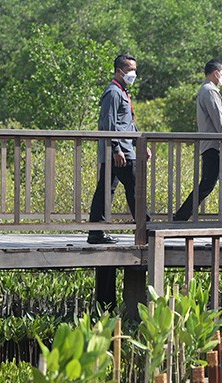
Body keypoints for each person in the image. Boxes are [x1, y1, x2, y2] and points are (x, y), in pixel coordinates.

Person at [87, 54, 151, 244]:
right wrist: (115, 148)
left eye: (135, 70)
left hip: (123, 149)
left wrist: (141, 143)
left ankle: (96, 232)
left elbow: (127, 122)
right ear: (118, 71)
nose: (133, 73)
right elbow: (108, 123)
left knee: (106, 190)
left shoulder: (122, 92)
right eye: (130, 69)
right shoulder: (113, 92)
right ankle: (146, 229)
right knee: (134, 188)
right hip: (118, 152)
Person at [174, 60, 222, 222]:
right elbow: (219, 121)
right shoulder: (210, 91)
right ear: (216, 72)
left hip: (216, 145)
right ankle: (181, 217)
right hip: (216, 146)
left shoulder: (209, 91)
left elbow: (217, 115)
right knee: (211, 184)